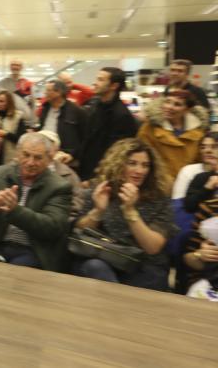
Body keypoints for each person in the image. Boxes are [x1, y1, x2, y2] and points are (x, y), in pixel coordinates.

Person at [72, 139, 177, 291]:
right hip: (106, 257)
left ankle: (116, 306)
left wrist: (130, 212)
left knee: (152, 278)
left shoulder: (159, 197)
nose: (139, 170)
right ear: (118, 164)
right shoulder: (100, 188)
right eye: (132, 163)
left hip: (144, 265)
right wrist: (98, 211)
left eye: (145, 165)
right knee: (93, 266)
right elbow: (79, 231)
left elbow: (153, 247)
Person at [0, 132, 72, 271]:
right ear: (18, 153)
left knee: (12, 273)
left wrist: (16, 211)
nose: (30, 162)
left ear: (49, 159)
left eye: (38, 158)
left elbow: (52, 228)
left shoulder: (59, 186)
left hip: (33, 250)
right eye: (26, 155)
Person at [78, 67, 138, 181]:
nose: (95, 83)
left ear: (114, 86)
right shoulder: (96, 106)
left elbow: (116, 153)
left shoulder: (122, 115)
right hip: (87, 171)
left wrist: (95, 177)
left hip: (103, 176)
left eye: (100, 80)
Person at [137, 90, 207, 182]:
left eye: (177, 104)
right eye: (167, 101)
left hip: (188, 184)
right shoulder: (149, 129)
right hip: (158, 185)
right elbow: (143, 159)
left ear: (187, 110)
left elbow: (200, 161)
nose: (169, 107)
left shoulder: (198, 132)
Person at [37, 79, 87, 166]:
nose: (45, 93)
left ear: (58, 92)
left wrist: (73, 155)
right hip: (45, 155)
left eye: (48, 90)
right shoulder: (45, 108)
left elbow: (85, 138)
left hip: (65, 159)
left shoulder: (76, 111)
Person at [0, 60, 36, 126]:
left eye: (18, 65)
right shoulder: (2, 83)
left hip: (24, 122)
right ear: (10, 67)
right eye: (13, 65)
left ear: (21, 67)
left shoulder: (28, 84)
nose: (15, 67)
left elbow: (33, 104)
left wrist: (33, 123)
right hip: (6, 121)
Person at [0, 90, 25, 165]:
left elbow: (21, 139)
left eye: (1, 101)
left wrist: (6, 134)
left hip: (10, 157)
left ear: (9, 103)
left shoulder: (17, 116)